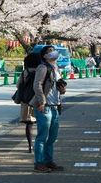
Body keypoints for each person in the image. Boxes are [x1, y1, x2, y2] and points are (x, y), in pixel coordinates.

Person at [30, 45, 67, 173]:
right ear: (45, 56)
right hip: (44, 107)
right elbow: (37, 84)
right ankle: (38, 163)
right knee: (42, 137)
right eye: (50, 51)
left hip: (55, 107)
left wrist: (62, 90)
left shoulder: (56, 69)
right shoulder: (43, 67)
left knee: (52, 137)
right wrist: (42, 101)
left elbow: (54, 87)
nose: (54, 52)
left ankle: (48, 161)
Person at [17, 52, 41, 153]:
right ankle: (40, 144)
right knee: (41, 123)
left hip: (27, 100)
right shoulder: (41, 71)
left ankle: (30, 146)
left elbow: (19, 85)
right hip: (39, 99)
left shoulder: (25, 72)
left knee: (29, 124)